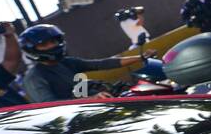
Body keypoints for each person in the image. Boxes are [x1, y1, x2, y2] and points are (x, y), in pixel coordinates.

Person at [19, 23, 151, 103]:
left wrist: (140, 57)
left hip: (99, 105)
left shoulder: (66, 62)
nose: (52, 46)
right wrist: (92, 99)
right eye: (44, 44)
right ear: (32, 50)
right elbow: (51, 105)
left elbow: (100, 64)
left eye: (53, 41)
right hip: (78, 122)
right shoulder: (34, 77)